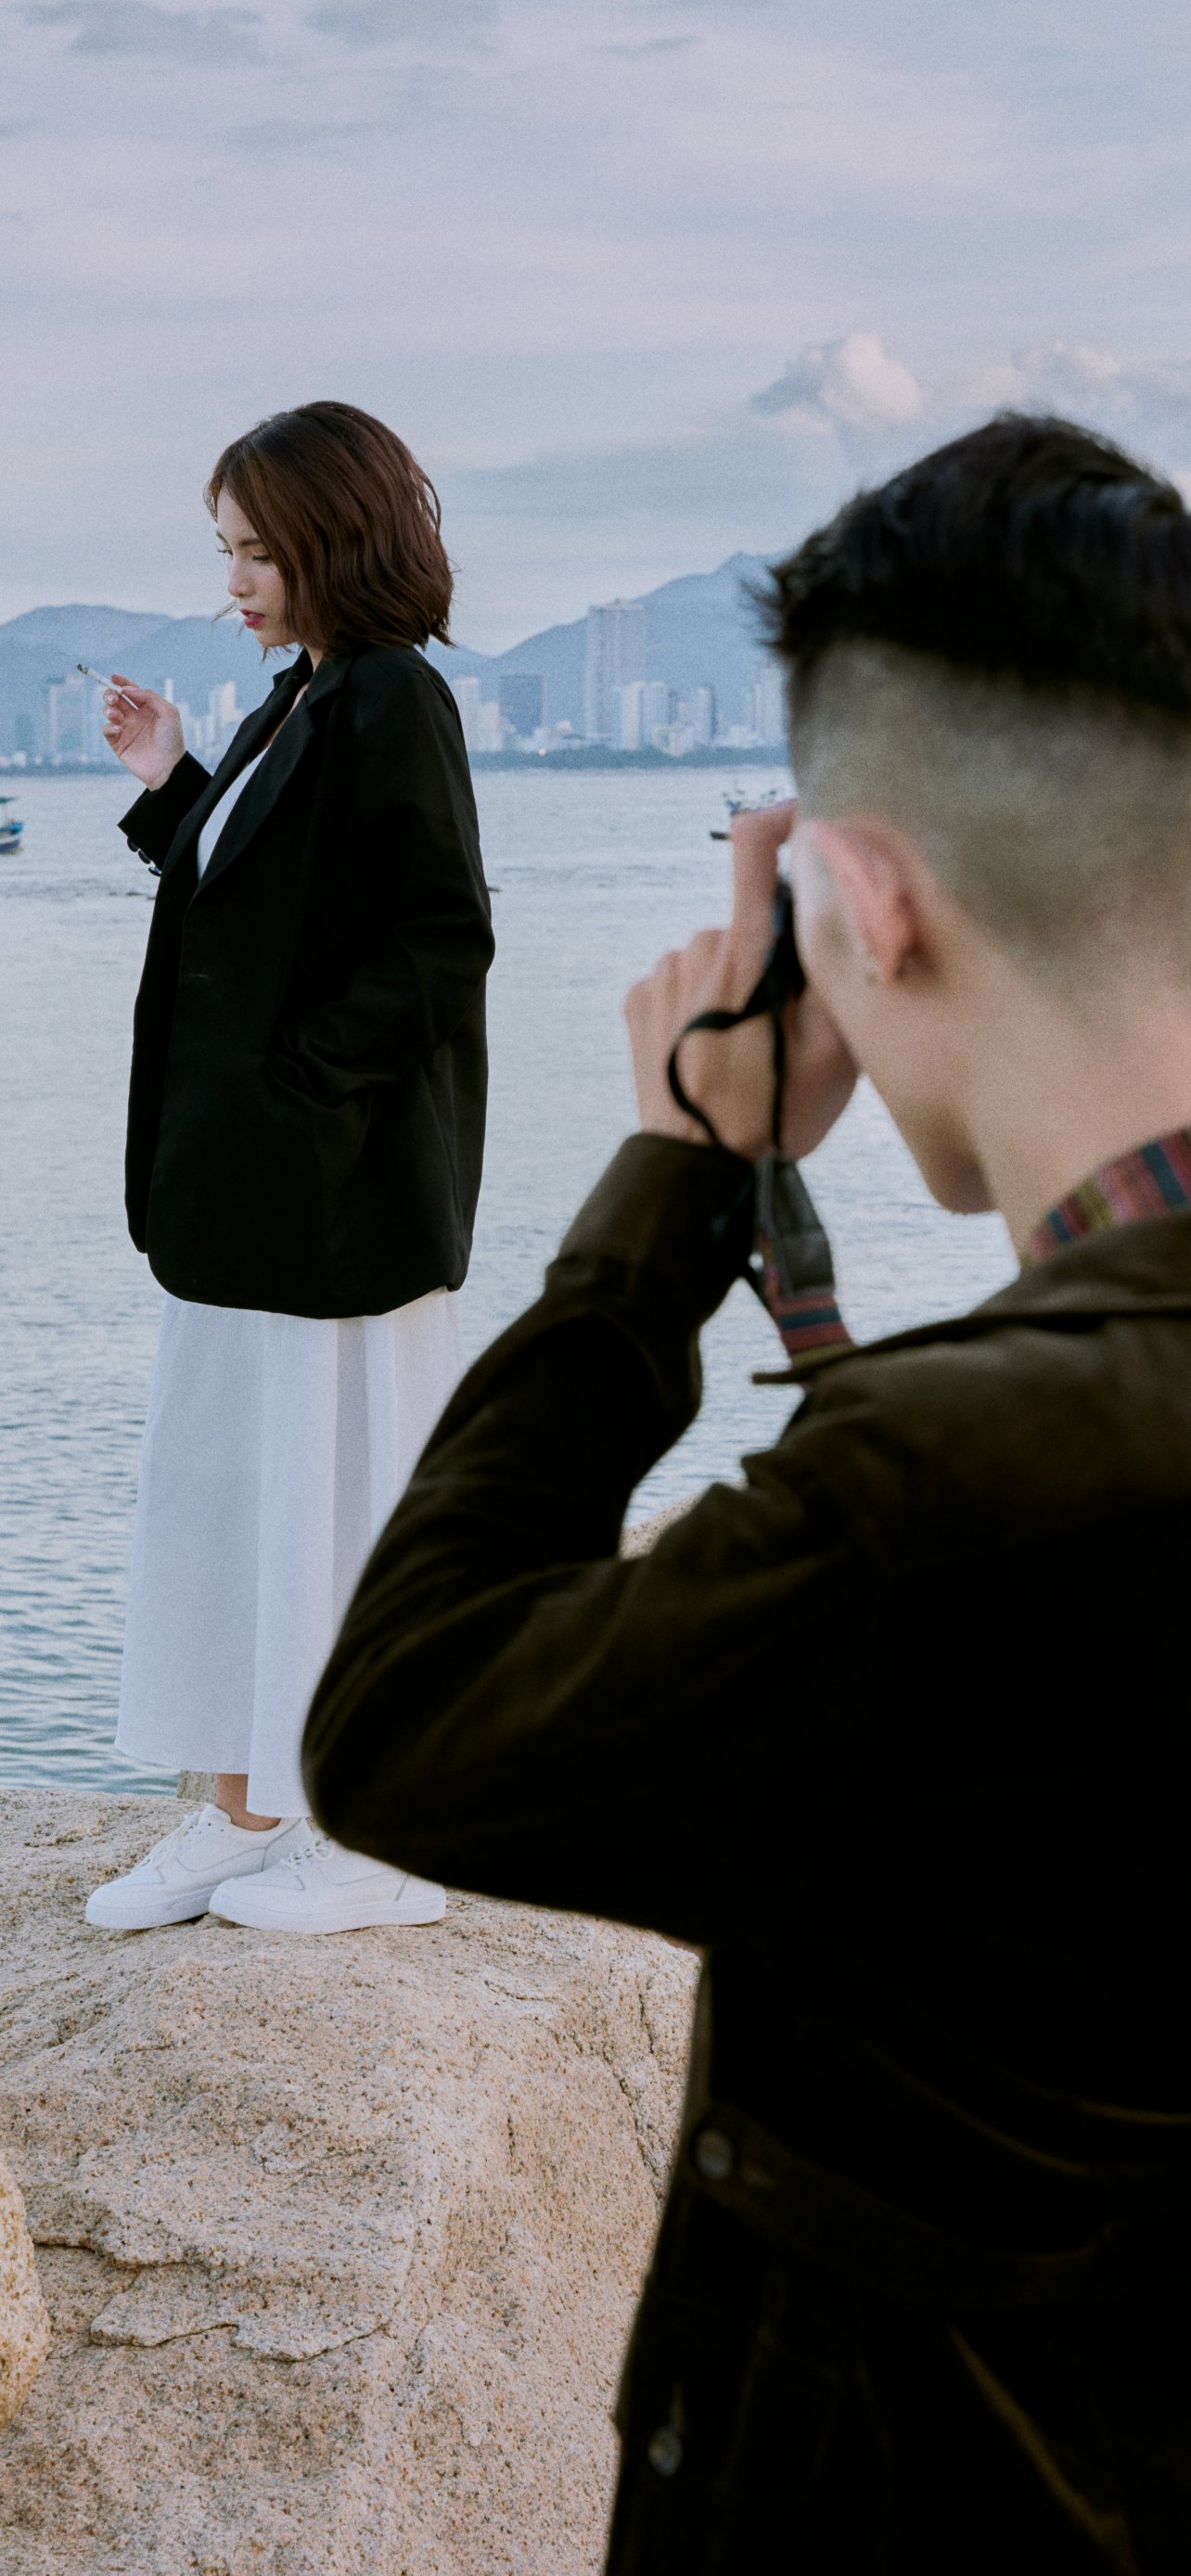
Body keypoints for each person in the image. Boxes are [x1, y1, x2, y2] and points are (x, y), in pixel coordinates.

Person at [301, 414, 1191, 2569]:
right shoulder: (967, 1461)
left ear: (862, 905)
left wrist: (681, 1179)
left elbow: (405, 1720)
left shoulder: (939, 1493)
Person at [85, 401, 493, 1940]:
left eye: (260, 551)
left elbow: (440, 938)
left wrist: (300, 1092)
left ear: (338, 540)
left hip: (338, 1205)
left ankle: (378, 1832)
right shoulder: (303, 695)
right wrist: (170, 780)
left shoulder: (395, 698)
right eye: (228, 550)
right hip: (250, 1199)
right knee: (228, 1495)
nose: (236, 581)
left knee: (338, 1503)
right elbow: (261, 898)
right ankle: (248, 1808)